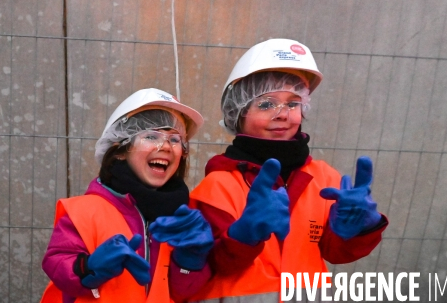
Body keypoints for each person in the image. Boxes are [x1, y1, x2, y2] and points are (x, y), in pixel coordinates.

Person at [188, 39, 388, 302]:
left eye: (293, 103)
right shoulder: (218, 187)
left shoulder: (324, 178)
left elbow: (337, 253)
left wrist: (361, 229)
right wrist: (243, 238)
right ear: (238, 114)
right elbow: (207, 267)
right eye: (266, 104)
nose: (282, 114)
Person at [40, 88, 214, 303]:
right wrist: (89, 267)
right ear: (120, 149)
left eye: (175, 139)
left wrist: (191, 262)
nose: (166, 146)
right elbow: (56, 263)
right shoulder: (84, 211)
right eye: (152, 136)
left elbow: (182, 292)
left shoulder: (181, 219)